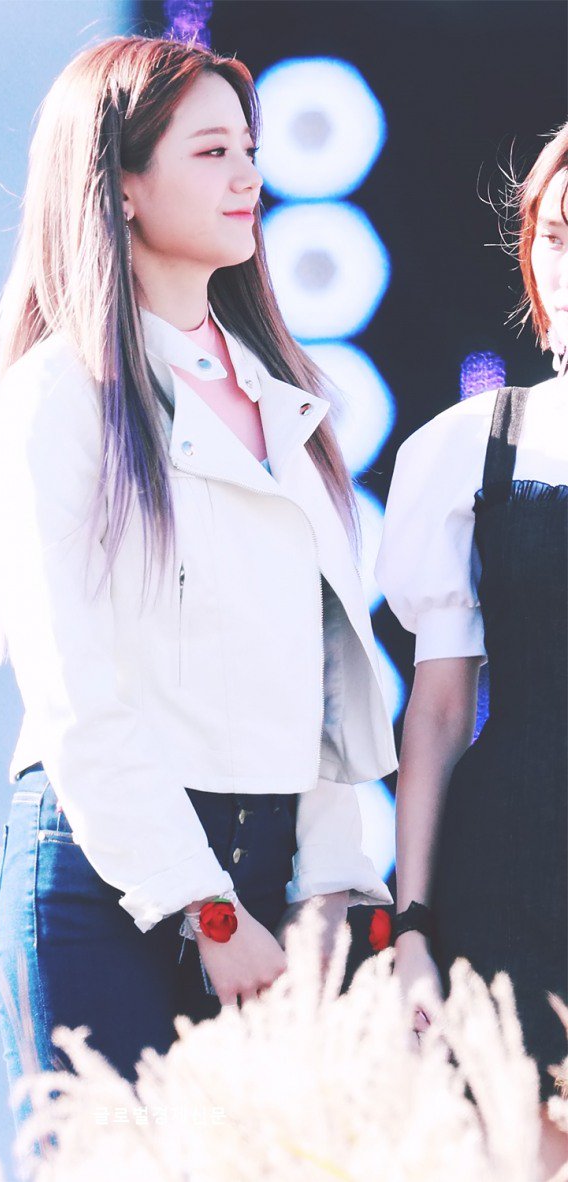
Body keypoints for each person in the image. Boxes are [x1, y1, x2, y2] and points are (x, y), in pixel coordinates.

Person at [0, 35, 396, 1129]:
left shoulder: (285, 397)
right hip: (110, 884)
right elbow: (73, 693)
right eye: (211, 152)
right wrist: (205, 909)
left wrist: (330, 888)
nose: (247, 175)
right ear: (119, 183)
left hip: (266, 888)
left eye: (250, 150)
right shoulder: (61, 394)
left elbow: (324, 673)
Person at [376, 123, 568, 1175]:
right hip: (515, 879)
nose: (566, 262)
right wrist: (411, 925)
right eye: (555, 234)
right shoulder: (476, 445)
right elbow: (440, 709)